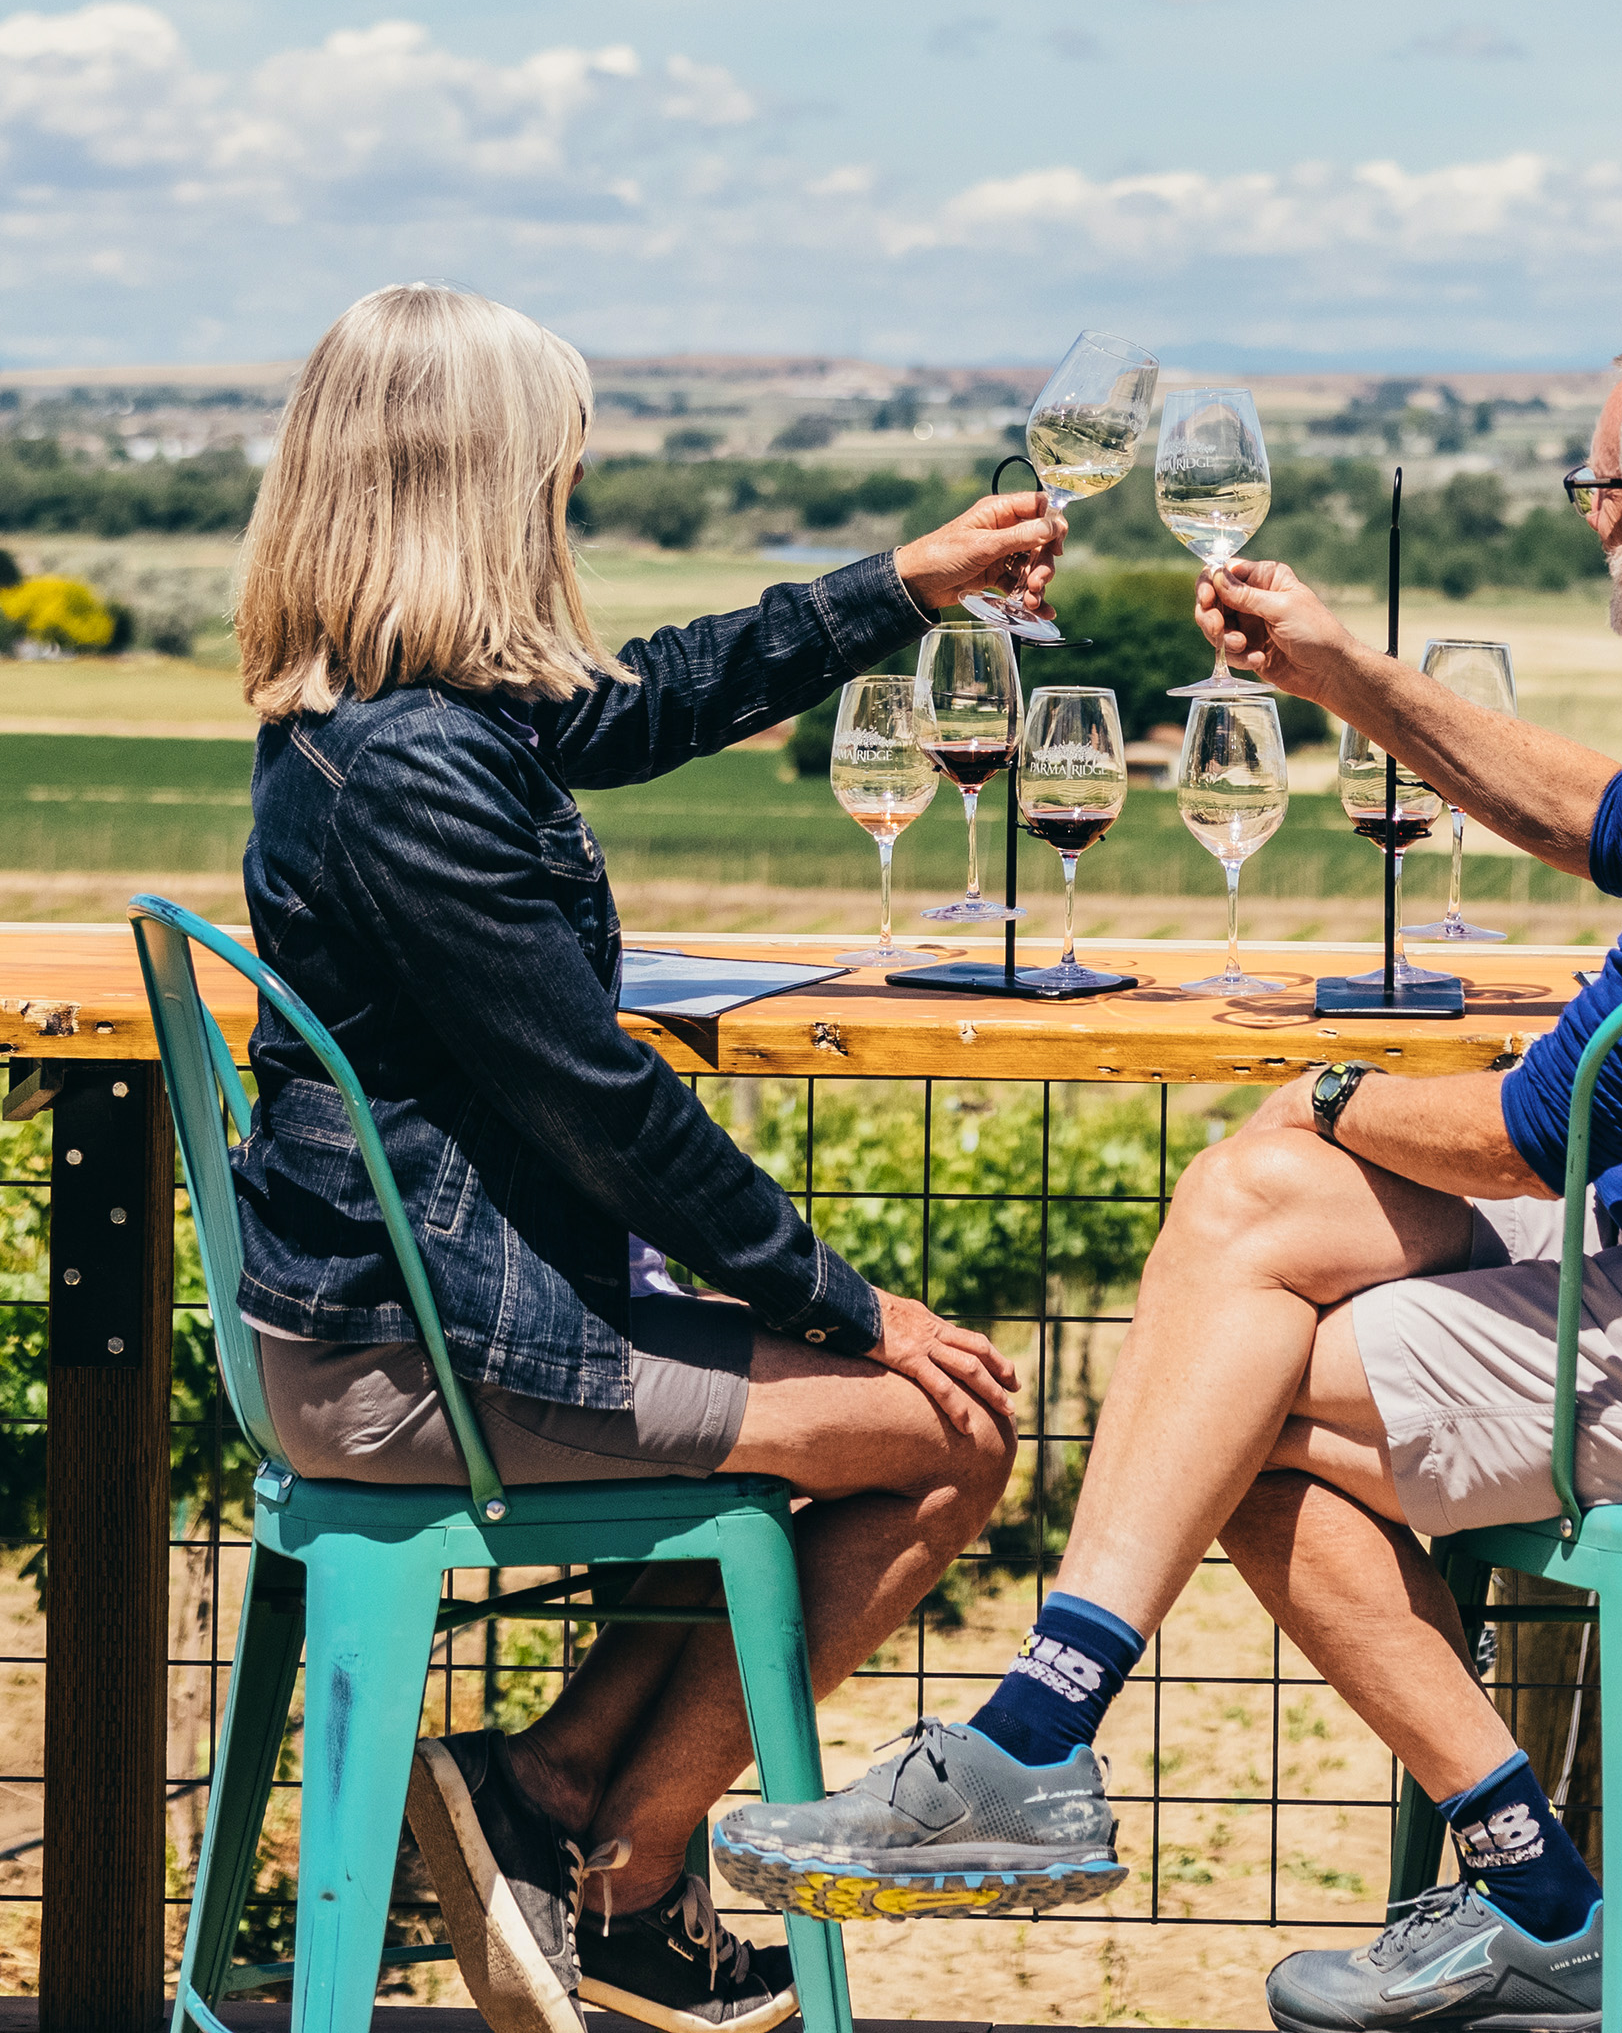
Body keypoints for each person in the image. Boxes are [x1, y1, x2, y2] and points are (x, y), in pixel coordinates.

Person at [710, 317, 1622, 2033]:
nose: (1591, 526)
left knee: (1247, 1400)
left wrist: (1339, 1084)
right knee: (1249, 1206)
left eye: (1603, 493)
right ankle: (1041, 1744)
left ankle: (1515, 1894)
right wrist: (1344, 678)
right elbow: (1618, 821)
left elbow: (1536, 1124)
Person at [229, 283, 1059, 2033]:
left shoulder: (392, 721)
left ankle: (549, 1797)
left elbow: (640, 704)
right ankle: (634, 1865)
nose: (574, 490)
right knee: (944, 1435)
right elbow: (594, 1103)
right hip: (413, 1355)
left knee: (852, 1415)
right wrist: (849, 1304)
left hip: (396, 1314)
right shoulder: (416, 777)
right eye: (554, 464)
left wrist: (899, 586)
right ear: (474, 488)